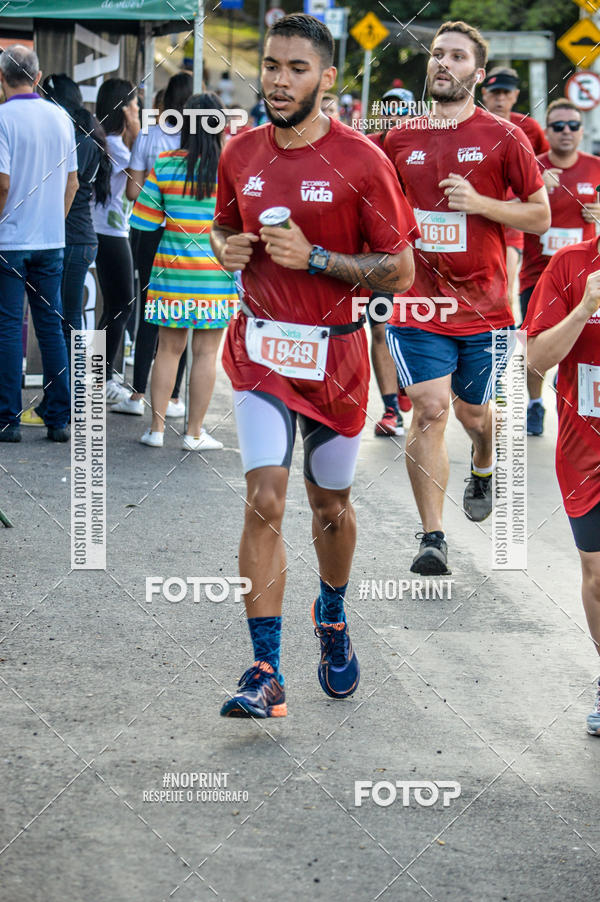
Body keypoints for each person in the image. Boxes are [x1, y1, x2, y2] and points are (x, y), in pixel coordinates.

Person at [210, 13, 416, 718]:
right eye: (271, 65)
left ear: (327, 78)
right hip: (260, 350)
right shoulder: (240, 151)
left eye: (296, 69)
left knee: (330, 506)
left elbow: (401, 271)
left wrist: (318, 258)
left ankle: (330, 612)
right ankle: (265, 670)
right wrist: (227, 249)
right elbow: (223, 226)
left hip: (337, 358)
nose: (278, 80)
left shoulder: (362, 160)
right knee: (264, 499)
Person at [384, 20, 550, 574]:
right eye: (438, 53)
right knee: (430, 409)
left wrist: (481, 204)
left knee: (475, 415)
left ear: (477, 74)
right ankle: (433, 538)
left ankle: (482, 461)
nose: (443, 63)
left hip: (485, 307)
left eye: (457, 56)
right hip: (417, 303)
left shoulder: (505, 137)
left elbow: (539, 215)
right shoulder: (399, 139)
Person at [131, 93, 239, 451]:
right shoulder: (232, 169)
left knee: (167, 350)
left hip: (170, 274)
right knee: (206, 354)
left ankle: (156, 430)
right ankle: (194, 434)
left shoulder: (165, 165)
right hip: (216, 275)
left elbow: (143, 222)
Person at [524, 239, 600, 735]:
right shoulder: (571, 266)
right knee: (597, 573)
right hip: (585, 451)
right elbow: (535, 361)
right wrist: (585, 307)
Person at [0, 45, 78, 443]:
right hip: (51, 242)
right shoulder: (61, 117)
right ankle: (58, 418)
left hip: (9, 241)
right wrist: (52, 223)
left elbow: (2, 184)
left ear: (1, 78)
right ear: (38, 76)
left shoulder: (2, 119)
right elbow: (72, 183)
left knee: (8, 327)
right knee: (50, 327)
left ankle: (7, 419)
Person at [520, 99, 600, 436]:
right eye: (558, 126)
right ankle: (535, 402)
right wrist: (533, 194)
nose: (566, 131)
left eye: (573, 125)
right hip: (537, 275)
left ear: (582, 131)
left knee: (582, 346)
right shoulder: (531, 168)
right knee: (532, 349)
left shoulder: (596, 168)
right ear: (547, 131)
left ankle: (573, 395)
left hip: (583, 277)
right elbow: (504, 214)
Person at [119, 72, 193, 419]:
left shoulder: (149, 134)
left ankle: (137, 394)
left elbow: (132, 192)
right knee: (181, 313)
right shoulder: (201, 138)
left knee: (148, 308)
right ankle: (174, 398)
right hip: (187, 234)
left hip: (149, 231)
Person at [367, 86, 416, 437]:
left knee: (413, 327)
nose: (394, 116)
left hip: (420, 254)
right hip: (378, 254)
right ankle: (390, 411)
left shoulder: (424, 147)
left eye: (401, 110)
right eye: (388, 109)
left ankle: (404, 383)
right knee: (380, 327)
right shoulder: (366, 146)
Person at [481, 68, 550, 316]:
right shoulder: (471, 126)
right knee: (481, 290)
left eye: (506, 93)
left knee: (506, 291)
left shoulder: (528, 127)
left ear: (516, 95)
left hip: (513, 216)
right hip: (477, 215)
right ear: (484, 94)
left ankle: (507, 342)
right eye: (495, 93)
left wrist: (546, 179)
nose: (500, 99)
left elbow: (548, 161)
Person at [92, 78, 140, 403]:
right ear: (123, 109)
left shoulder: (104, 142)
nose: (138, 110)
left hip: (104, 231)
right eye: (135, 105)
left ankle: (99, 377)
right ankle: (101, 379)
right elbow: (141, 184)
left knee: (114, 305)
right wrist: (137, 134)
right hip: (111, 234)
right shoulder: (119, 149)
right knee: (122, 304)